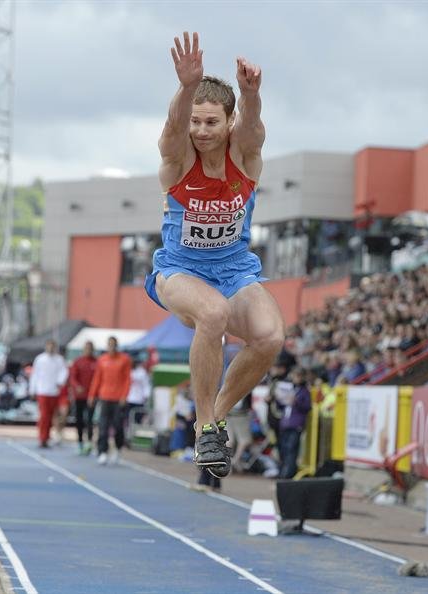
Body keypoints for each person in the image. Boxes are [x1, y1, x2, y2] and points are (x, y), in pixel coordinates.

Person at [143, 31, 284, 478]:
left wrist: (249, 94)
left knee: (270, 337)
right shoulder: (179, 158)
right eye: (196, 122)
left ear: (228, 123)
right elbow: (172, 128)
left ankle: (216, 418)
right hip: (181, 269)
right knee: (214, 314)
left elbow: (254, 126)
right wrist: (186, 88)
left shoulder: (245, 155)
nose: (201, 131)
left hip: (235, 268)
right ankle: (205, 422)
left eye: (211, 123)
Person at [88, 336, 131, 465]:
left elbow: (127, 379)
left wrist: (124, 395)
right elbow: (97, 379)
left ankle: (118, 449)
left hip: (118, 399)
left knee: (118, 426)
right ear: (107, 346)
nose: (111, 347)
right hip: (104, 397)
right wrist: (92, 395)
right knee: (103, 426)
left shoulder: (124, 359)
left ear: (116, 346)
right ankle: (103, 452)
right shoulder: (102, 360)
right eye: (109, 345)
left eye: (113, 345)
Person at [28, 340, 68, 448]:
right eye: (49, 346)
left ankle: (47, 436)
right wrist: (32, 390)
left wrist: (60, 382)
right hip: (42, 391)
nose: (50, 349)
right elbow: (35, 375)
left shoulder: (59, 360)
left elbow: (64, 372)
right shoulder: (40, 359)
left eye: (52, 347)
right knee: (44, 415)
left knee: (51, 416)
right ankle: (42, 437)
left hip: (54, 391)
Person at [276, 367, 312, 479]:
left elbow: (307, 407)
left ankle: (288, 474)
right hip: (285, 422)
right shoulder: (290, 388)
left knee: (291, 449)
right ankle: (283, 471)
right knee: (284, 449)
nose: (295, 378)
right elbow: (281, 406)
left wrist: (296, 402)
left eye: (298, 376)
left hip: (295, 424)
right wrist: (277, 400)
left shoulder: (304, 391)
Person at [67, 341, 99, 455]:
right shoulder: (78, 362)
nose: (88, 350)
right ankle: (80, 441)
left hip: (91, 397)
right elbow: (72, 377)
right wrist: (77, 387)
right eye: (86, 348)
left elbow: (98, 378)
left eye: (90, 348)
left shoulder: (96, 363)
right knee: (79, 419)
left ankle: (89, 442)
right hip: (79, 396)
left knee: (90, 420)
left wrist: (95, 393)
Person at [125, 358, 151, 431]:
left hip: (139, 399)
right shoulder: (127, 371)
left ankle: (137, 432)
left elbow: (146, 385)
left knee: (138, 418)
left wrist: (146, 396)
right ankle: (129, 433)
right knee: (128, 418)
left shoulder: (142, 372)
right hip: (128, 399)